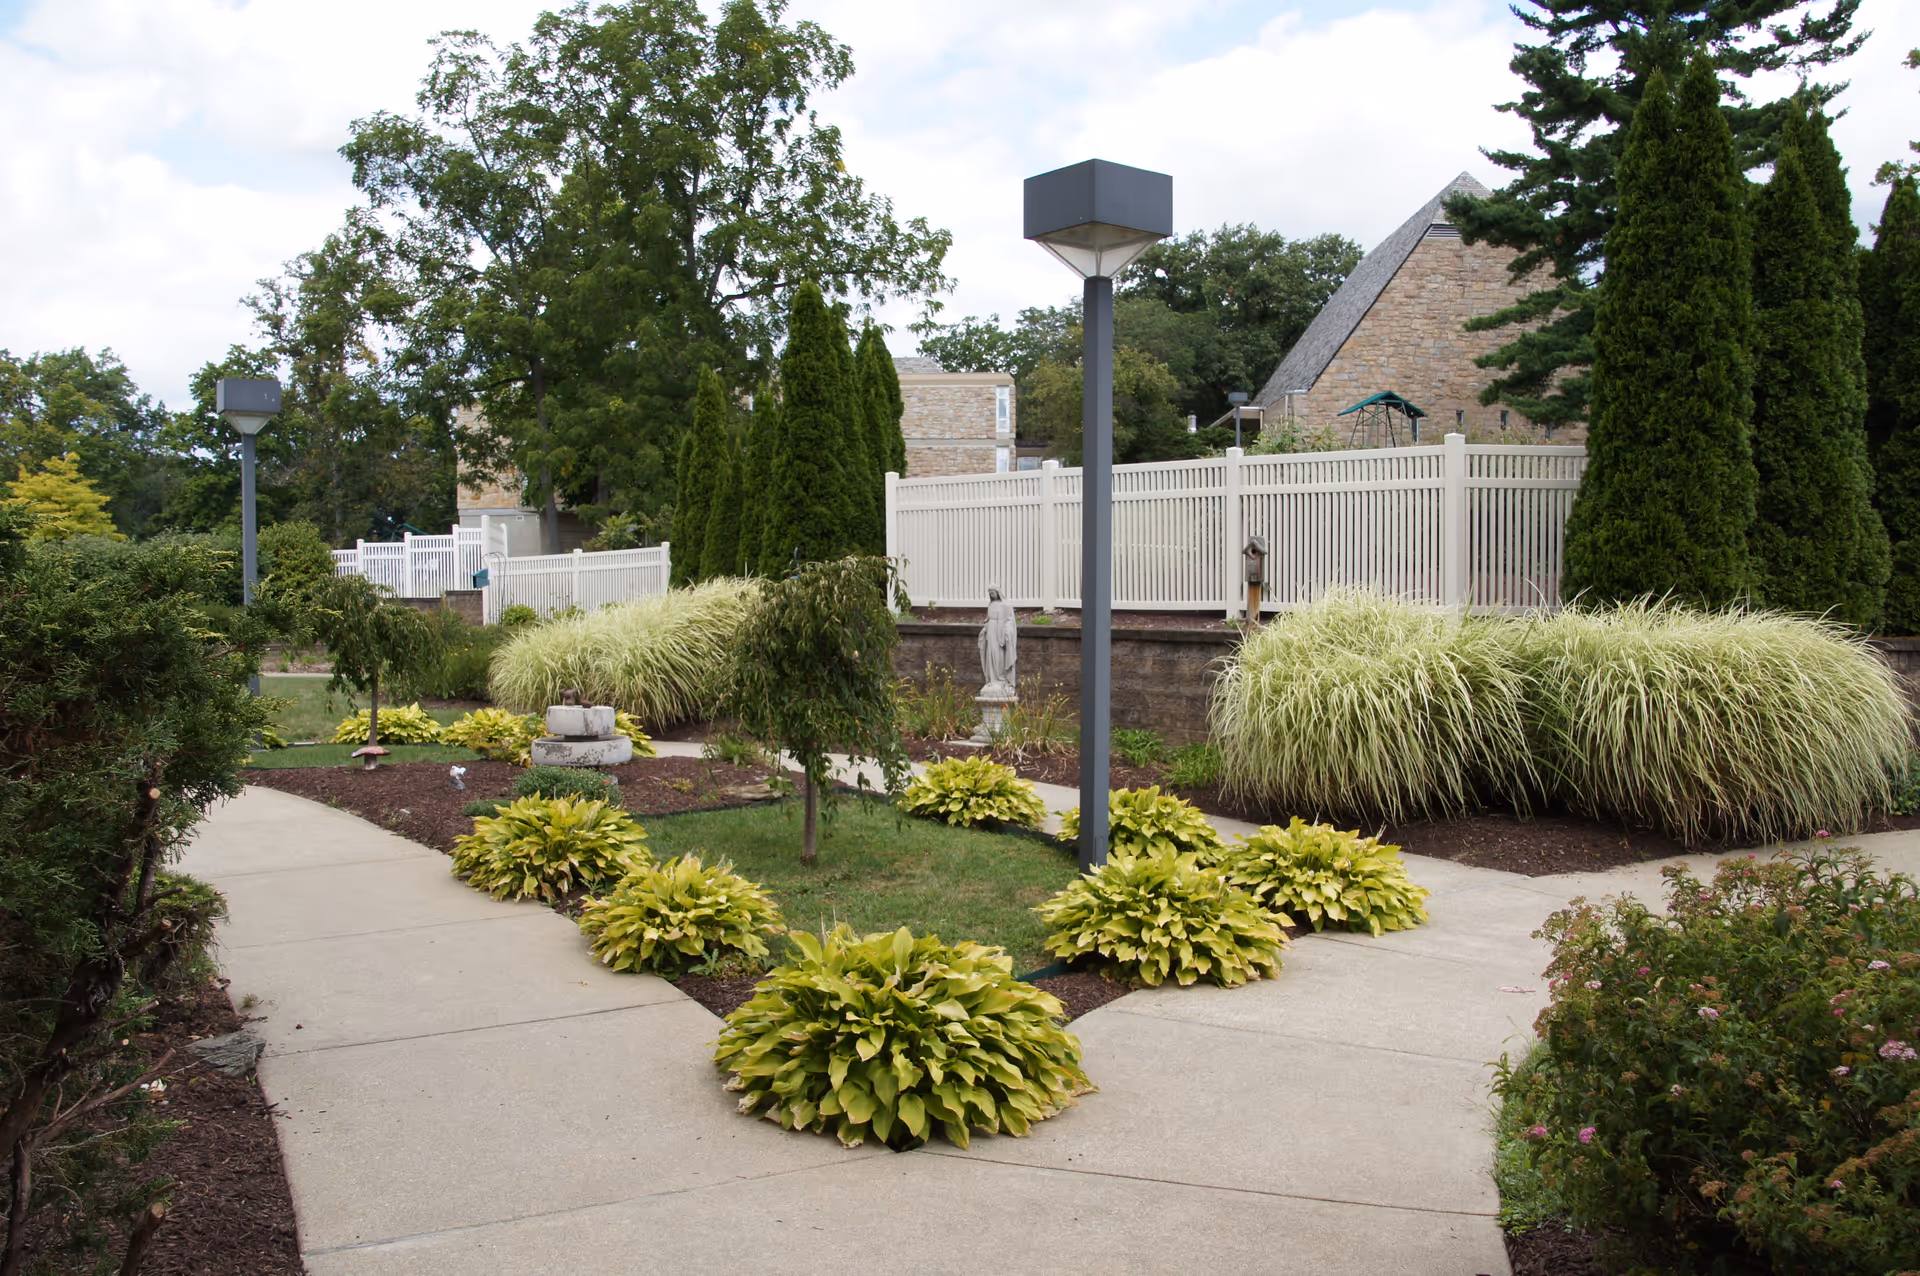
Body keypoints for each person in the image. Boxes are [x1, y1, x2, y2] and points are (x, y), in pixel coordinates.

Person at [978, 584, 1017, 693]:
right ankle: (993, 679)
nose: (991, 595)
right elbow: (988, 619)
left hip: (1000, 634)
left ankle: (1002, 678)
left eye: (993, 593)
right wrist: (985, 628)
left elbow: (1010, 621)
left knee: (999, 655)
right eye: (990, 593)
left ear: (998, 593)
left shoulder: (1006, 605)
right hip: (991, 632)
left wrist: (1006, 632)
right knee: (991, 655)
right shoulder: (991, 605)